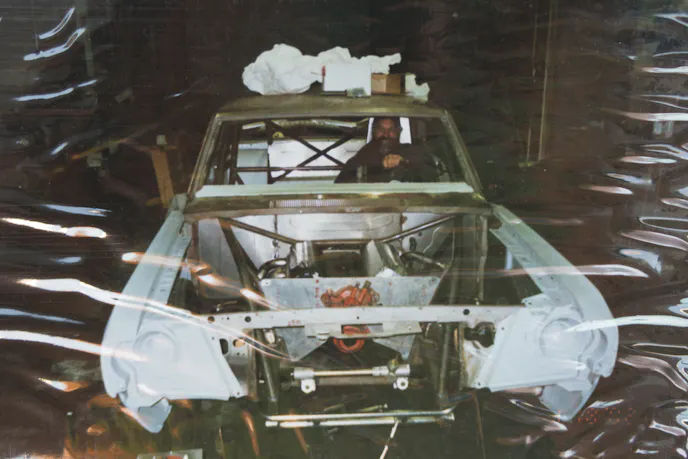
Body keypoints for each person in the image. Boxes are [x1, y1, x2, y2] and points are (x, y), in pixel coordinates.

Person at [334, 117, 437, 183]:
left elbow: (432, 175)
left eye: (391, 130)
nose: (386, 134)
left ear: (399, 131)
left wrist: (404, 161)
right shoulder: (363, 155)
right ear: (374, 131)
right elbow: (341, 185)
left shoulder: (412, 151)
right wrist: (376, 166)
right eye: (381, 129)